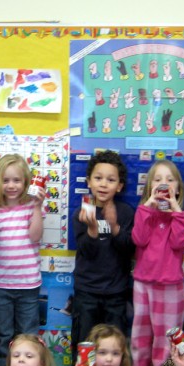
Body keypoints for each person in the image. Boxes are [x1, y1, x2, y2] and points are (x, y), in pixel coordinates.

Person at [130, 159, 184, 366]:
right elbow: (138, 238)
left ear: (177, 188)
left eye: (169, 179)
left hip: (170, 288)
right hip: (143, 284)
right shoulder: (144, 213)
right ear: (149, 188)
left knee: (166, 342)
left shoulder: (183, 217)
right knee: (140, 338)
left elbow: (179, 243)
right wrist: (147, 206)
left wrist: (175, 210)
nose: (163, 183)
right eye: (157, 179)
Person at [0, 154, 46, 366]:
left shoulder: (32, 205)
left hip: (28, 284)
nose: (11, 186)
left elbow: (35, 236)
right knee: (2, 337)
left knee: (28, 337)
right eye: (6, 180)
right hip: (0, 284)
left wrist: (38, 207)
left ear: (26, 182)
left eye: (17, 180)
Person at [71, 150, 135, 354]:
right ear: (89, 182)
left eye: (110, 180)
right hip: (86, 291)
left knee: (114, 345)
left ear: (120, 186)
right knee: (85, 343)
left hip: (116, 293)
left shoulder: (125, 212)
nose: (103, 184)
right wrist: (91, 230)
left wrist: (115, 226)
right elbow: (85, 250)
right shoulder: (82, 213)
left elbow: (129, 249)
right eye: (98, 178)